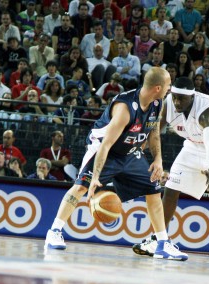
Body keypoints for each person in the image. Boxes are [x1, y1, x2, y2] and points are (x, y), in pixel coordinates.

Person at [44, 68, 188, 261]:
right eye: (168, 85)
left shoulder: (158, 102)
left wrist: (158, 160)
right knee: (80, 187)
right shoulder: (124, 108)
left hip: (130, 152)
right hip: (105, 150)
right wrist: (95, 177)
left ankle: (162, 243)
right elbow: (105, 145)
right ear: (157, 87)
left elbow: (153, 133)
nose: (170, 88)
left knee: (154, 190)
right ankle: (54, 231)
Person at [132, 77, 209, 267]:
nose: (177, 102)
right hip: (192, 146)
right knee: (171, 188)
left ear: (192, 97)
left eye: (181, 99)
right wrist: (137, 148)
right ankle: (159, 240)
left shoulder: (207, 110)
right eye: (175, 97)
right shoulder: (169, 104)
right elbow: (156, 131)